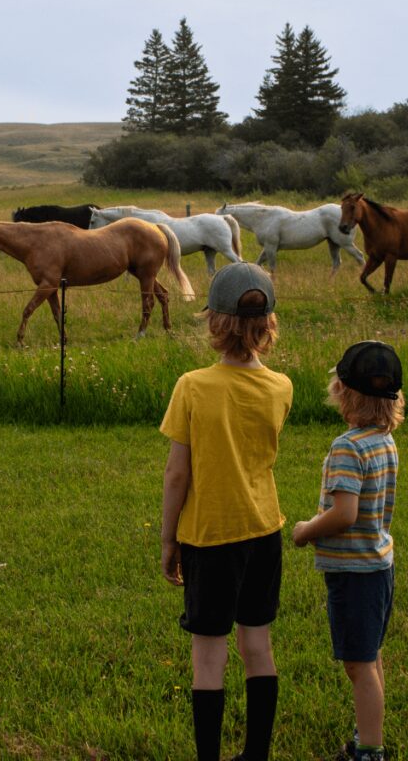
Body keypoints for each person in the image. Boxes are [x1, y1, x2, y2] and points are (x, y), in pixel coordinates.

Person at [160, 262, 293, 761]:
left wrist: (168, 540)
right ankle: (257, 755)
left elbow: (177, 475)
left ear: (215, 322)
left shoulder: (193, 386)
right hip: (264, 531)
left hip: (210, 537)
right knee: (257, 648)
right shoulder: (282, 387)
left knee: (208, 657)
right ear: (267, 324)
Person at [292, 341, 405, 761]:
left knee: (357, 665)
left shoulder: (348, 446)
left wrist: (306, 530)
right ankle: (368, 735)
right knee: (370, 655)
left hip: (355, 572)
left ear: (343, 391)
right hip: (378, 566)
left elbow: (344, 513)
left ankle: (369, 751)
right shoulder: (384, 441)